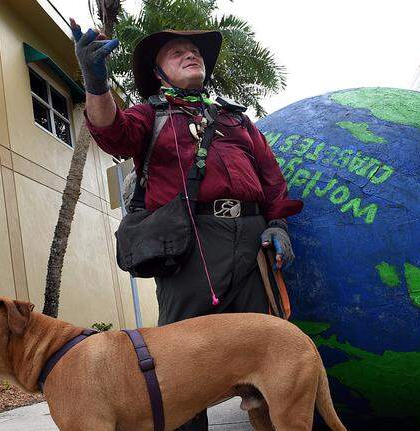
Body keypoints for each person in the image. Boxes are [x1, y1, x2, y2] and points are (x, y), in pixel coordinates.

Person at [71, 19, 303, 430]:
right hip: (189, 242)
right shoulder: (150, 114)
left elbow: (271, 179)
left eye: (194, 52)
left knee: (265, 350)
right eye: (176, 53)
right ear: (158, 73)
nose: (190, 55)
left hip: (252, 242)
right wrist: (95, 82)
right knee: (180, 367)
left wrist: (278, 226)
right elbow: (112, 133)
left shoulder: (237, 120)